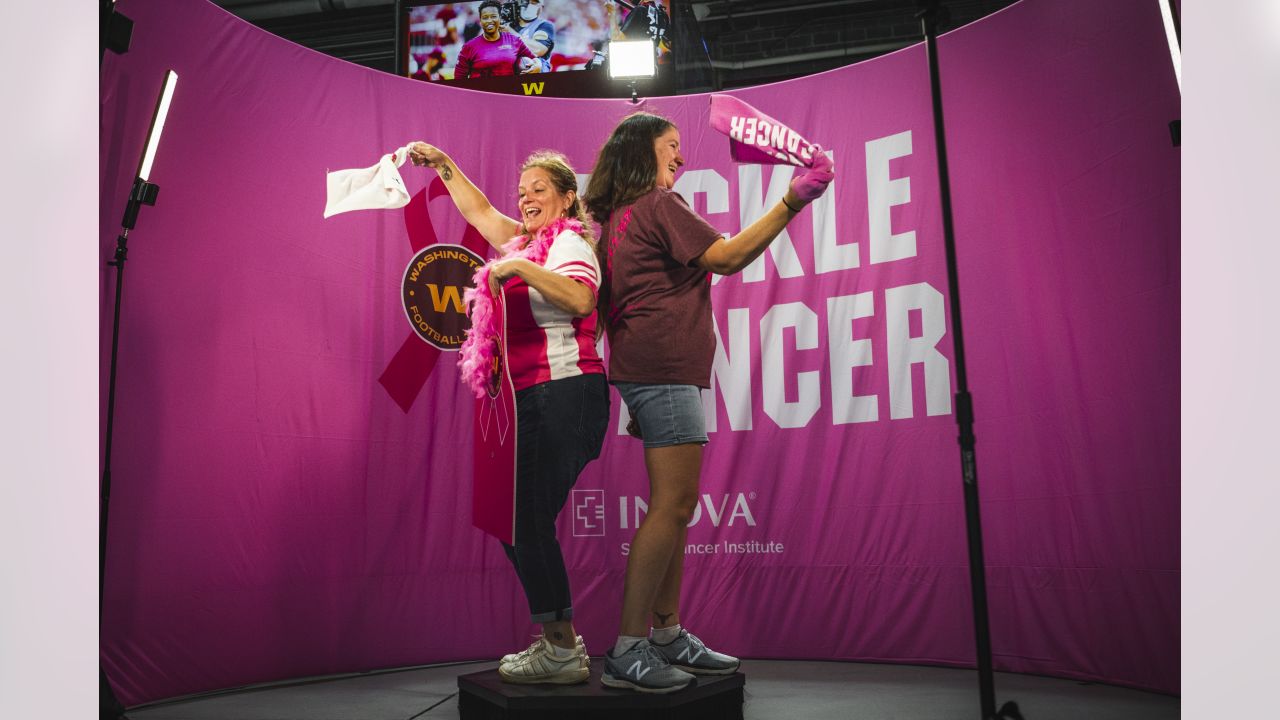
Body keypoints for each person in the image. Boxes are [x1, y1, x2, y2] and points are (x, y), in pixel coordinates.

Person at [582, 112, 835, 694]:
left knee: (673, 506)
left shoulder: (619, 218)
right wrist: (792, 201)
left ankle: (667, 633)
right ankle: (627, 649)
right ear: (642, 151)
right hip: (666, 369)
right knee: (673, 505)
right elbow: (725, 257)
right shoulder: (658, 204)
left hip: (651, 369)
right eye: (670, 147)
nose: (680, 157)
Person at [408, 142, 609, 685]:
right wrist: (445, 164)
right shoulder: (527, 242)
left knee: (524, 518)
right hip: (533, 400)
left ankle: (562, 648)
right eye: (522, 193)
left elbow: (580, 299)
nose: (526, 200)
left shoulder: (569, 241)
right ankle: (557, 640)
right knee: (514, 518)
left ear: (568, 199)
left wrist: (518, 264)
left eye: (539, 190)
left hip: (567, 392)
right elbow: (481, 213)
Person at [455, 1, 542, 79]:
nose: (489, 20)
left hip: (508, 93)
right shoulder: (469, 47)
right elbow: (459, 78)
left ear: (500, 18)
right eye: (485, 17)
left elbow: (535, 58)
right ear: (480, 21)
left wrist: (538, 65)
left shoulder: (514, 40)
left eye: (493, 16)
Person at [504, 0, 555, 73]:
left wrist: (510, 32)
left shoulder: (544, 26)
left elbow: (538, 50)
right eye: (526, 2)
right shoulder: (507, 25)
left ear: (542, 7)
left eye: (534, 3)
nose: (529, 6)